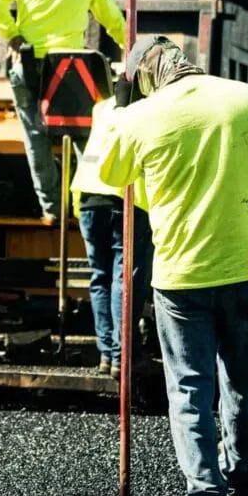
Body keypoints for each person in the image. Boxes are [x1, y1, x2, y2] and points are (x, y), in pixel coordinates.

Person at [98, 36, 248, 496]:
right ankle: (241, 476)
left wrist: (124, 110)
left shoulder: (142, 118)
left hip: (181, 276)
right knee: (239, 379)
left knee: (189, 387)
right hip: (247, 269)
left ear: (143, 77)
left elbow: (110, 173)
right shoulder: (247, 100)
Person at [0, 0, 126, 223]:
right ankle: (84, 205)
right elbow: (112, 17)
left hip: (30, 63)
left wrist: (11, 34)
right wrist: (130, 48)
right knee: (83, 138)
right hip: (72, 67)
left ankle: (51, 209)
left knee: (35, 135)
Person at [71, 90, 153, 380]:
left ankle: (107, 353)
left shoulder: (102, 108)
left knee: (100, 277)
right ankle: (123, 356)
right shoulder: (147, 109)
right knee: (124, 279)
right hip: (123, 200)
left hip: (88, 198)